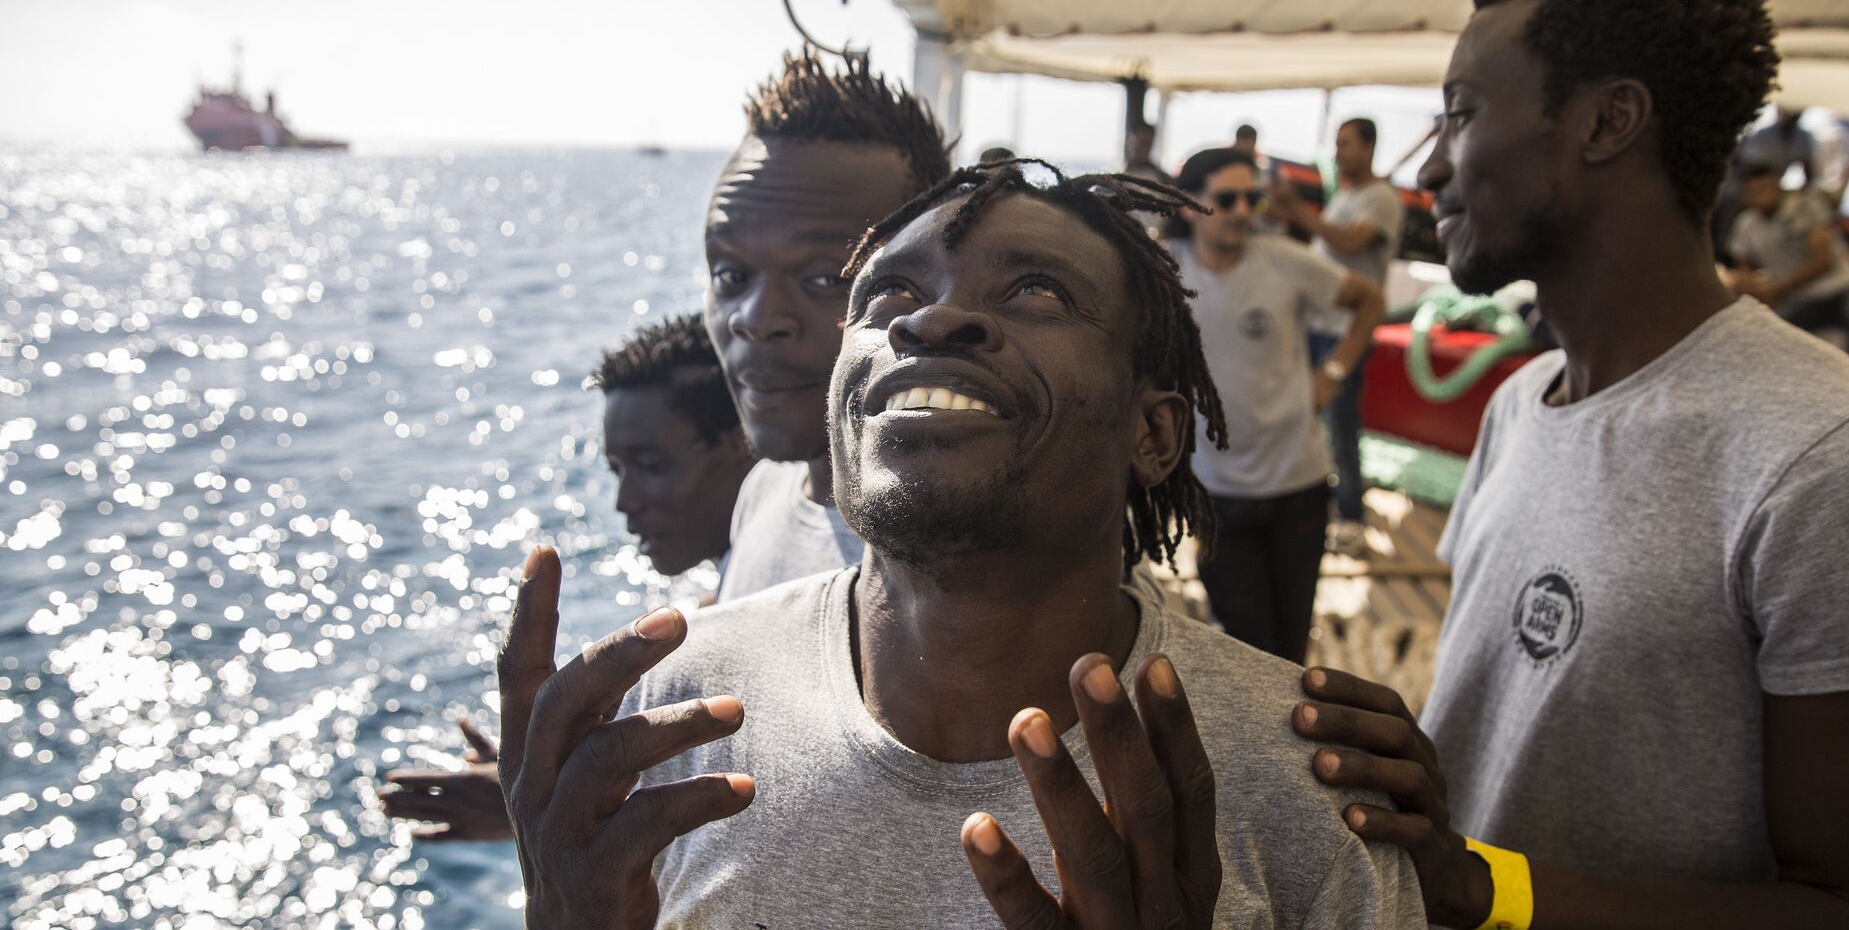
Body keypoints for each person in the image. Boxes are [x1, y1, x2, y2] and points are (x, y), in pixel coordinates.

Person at [493, 164, 1425, 928]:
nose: (928, 320)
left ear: (1152, 434)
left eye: (1036, 290)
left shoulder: (1313, 787)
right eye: (886, 292)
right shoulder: (671, 716)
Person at [1288, 0, 1849, 928]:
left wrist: (1486, 886)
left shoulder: (1831, 459)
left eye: (1461, 114)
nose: (1431, 168)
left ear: (1606, 121)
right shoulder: (1518, 405)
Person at [377, 313, 752, 842]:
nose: (625, 501)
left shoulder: (777, 590)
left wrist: (550, 803)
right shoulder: (735, 587)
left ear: (740, 442)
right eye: (617, 469)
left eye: (650, 464)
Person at [705, 50, 951, 602]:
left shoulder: (959, 570)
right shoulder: (767, 488)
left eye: (823, 279)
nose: (756, 320)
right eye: (731, 275)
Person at [1169, 147, 1384, 662]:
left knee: (1290, 643)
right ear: (1187, 205)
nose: (1243, 210)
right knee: (1245, 641)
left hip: (1297, 484)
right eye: (1227, 199)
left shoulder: (1285, 261)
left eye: (1253, 199)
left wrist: (1332, 374)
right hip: (1214, 491)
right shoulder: (1163, 272)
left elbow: (1370, 300)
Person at [1278, 118, 1406, 553]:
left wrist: (1299, 212)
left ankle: (1351, 517)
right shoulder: (1348, 195)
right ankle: (1316, 504)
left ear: (1370, 147)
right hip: (1318, 326)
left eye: (1346, 143)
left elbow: (1351, 242)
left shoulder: (1381, 198)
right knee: (1312, 419)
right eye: (1336, 143)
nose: (1338, 152)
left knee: (1342, 425)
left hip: (1345, 333)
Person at [1727, 161, 1849, 367]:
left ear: (1776, 185)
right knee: (1769, 330)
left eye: (1764, 188)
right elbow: (1744, 267)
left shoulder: (1803, 207)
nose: (1761, 195)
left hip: (1845, 286)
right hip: (1802, 297)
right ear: (1743, 194)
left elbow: (1822, 260)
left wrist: (1779, 289)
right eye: (1753, 191)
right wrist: (1754, 291)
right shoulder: (1746, 224)